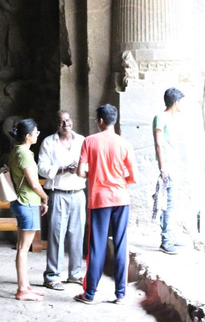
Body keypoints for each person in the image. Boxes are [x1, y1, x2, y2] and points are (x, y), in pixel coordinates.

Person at [75, 104, 136, 305]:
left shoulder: (89, 141)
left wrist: (96, 175)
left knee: (96, 246)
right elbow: (132, 177)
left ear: (100, 121)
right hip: (121, 199)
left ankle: (90, 294)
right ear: (114, 120)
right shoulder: (125, 143)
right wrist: (117, 181)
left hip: (99, 199)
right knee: (121, 245)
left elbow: (80, 172)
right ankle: (120, 295)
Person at [37, 110, 86, 290]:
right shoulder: (49, 142)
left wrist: (79, 168)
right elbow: (41, 167)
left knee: (77, 235)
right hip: (58, 193)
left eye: (67, 120)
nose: (65, 124)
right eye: (61, 122)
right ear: (55, 124)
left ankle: (75, 274)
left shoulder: (81, 140)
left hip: (78, 192)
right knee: (56, 235)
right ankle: (52, 276)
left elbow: (89, 162)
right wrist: (62, 169)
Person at [7, 119, 49, 301]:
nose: (37, 135)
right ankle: (22, 289)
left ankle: (25, 285)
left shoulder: (17, 151)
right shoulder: (24, 153)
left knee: (22, 246)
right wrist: (45, 196)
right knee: (24, 248)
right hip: (27, 202)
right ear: (27, 136)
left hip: (21, 201)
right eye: (36, 132)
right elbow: (33, 183)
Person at [152, 87, 185, 254]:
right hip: (168, 166)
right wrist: (162, 167)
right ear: (176, 102)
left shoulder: (172, 119)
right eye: (180, 102)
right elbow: (159, 144)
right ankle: (166, 240)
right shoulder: (160, 117)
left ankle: (170, 236)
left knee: (173, 202)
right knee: (168, 203)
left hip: (174, 164)